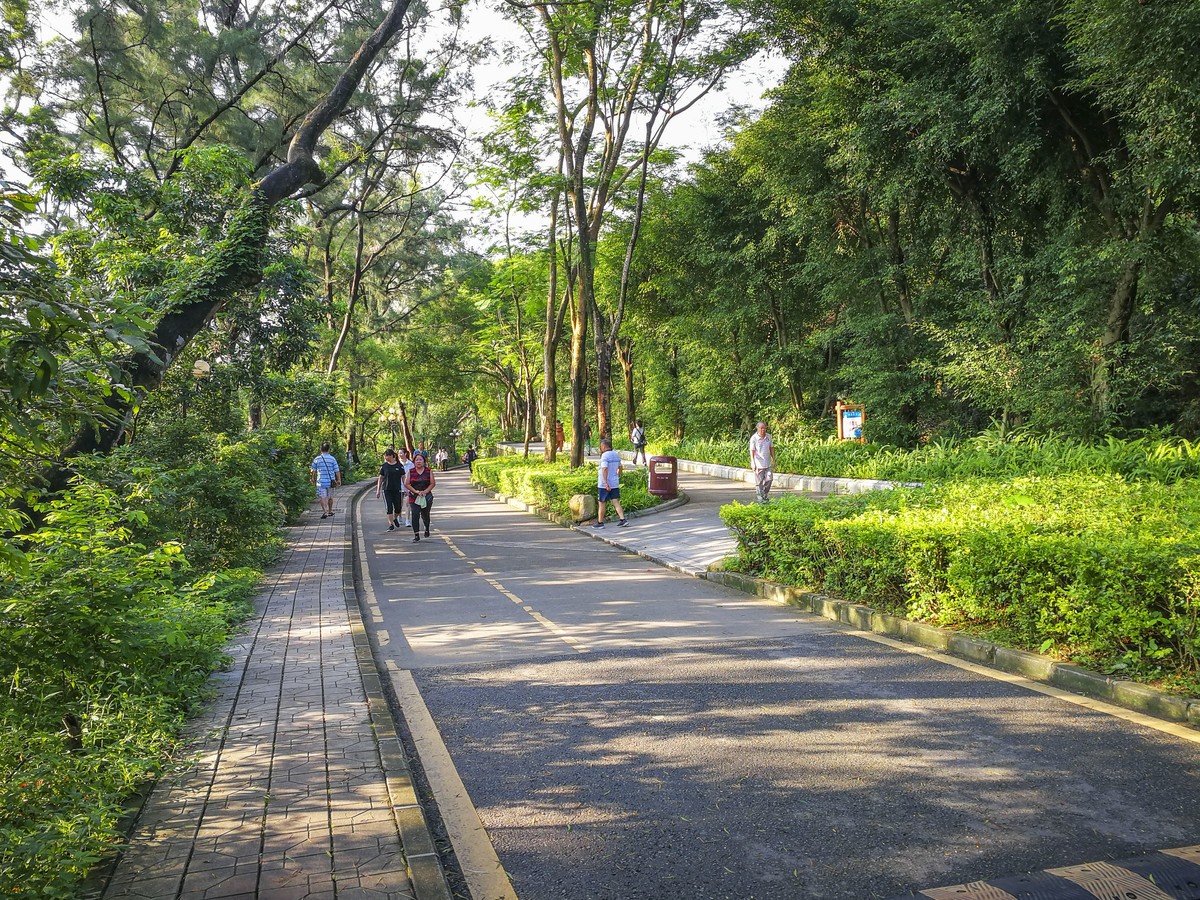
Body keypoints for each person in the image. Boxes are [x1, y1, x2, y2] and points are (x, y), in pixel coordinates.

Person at [592, 437, 628, 528]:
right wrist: (618, 475)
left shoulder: (604, 456)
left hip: (604, 484)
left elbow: (604, 469)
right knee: (615, 501)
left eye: (601, 446)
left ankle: (600, 523)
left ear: (604, 446)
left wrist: (605, 482)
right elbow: (620, 467)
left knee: (602, 502)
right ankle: (622, 519)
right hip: (614, 482)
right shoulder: (616, 455)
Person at [405, 451, 436, 542]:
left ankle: (426, 527)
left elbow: (432, 483)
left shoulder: (428, 471)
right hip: (414, 497)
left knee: (425, 515)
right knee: (415, 515)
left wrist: (425, 492)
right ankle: (416, 535)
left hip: (426, 497)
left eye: (420, 460)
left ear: (424, 461)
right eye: (417, 460)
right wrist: (416, 492)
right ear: (414, 462)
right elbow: (407, 484)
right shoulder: (411, 472)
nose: (418, 461)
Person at [375, 448, 407, 532]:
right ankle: (391, 524)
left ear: (392, 456)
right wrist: (378, 490)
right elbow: (380, 478)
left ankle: (394, 518)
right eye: (385, 455)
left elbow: (403, 477)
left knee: (398, 508)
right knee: (389, 507)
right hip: (386, 489)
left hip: (397, 489)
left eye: (387, 455)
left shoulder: (399, 466)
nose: (385, 457)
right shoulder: (384, 466)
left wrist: (406, 488)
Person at [310, 442, 342, 519]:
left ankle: (325, 512)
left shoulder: (317, 459)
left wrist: (311, 478)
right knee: (330, 497)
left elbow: (312, 470)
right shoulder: (332, 459)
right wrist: (339, 480)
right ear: (329, 449)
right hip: (331, 481)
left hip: (320, 482)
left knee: (323, 497)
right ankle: (330, 510)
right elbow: (336, 470)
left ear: (320, 449)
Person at [749, 420, 776, 503]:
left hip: (767, 463)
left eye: (764, 428)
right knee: (759, 482)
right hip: (758, 464)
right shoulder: (754, 438)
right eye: (761, 428)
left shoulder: (768, 437)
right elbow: (752, 451)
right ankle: (760, 499)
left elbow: (771, 448)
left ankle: (764, 494)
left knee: (769, 479)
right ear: (757, 428)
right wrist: (753, 462)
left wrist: (774, 459)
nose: (763, 430)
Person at [397, 447, 416, 526]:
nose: (400, 455)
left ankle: (407, 520)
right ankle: (399, 517)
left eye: (401, 453)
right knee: (399, 504)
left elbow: (413, 475)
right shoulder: (397, 464)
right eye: (399, 453)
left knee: (407, 503)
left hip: (407, 487)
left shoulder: (410, 464)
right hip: (398, 487)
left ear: (405, 454)